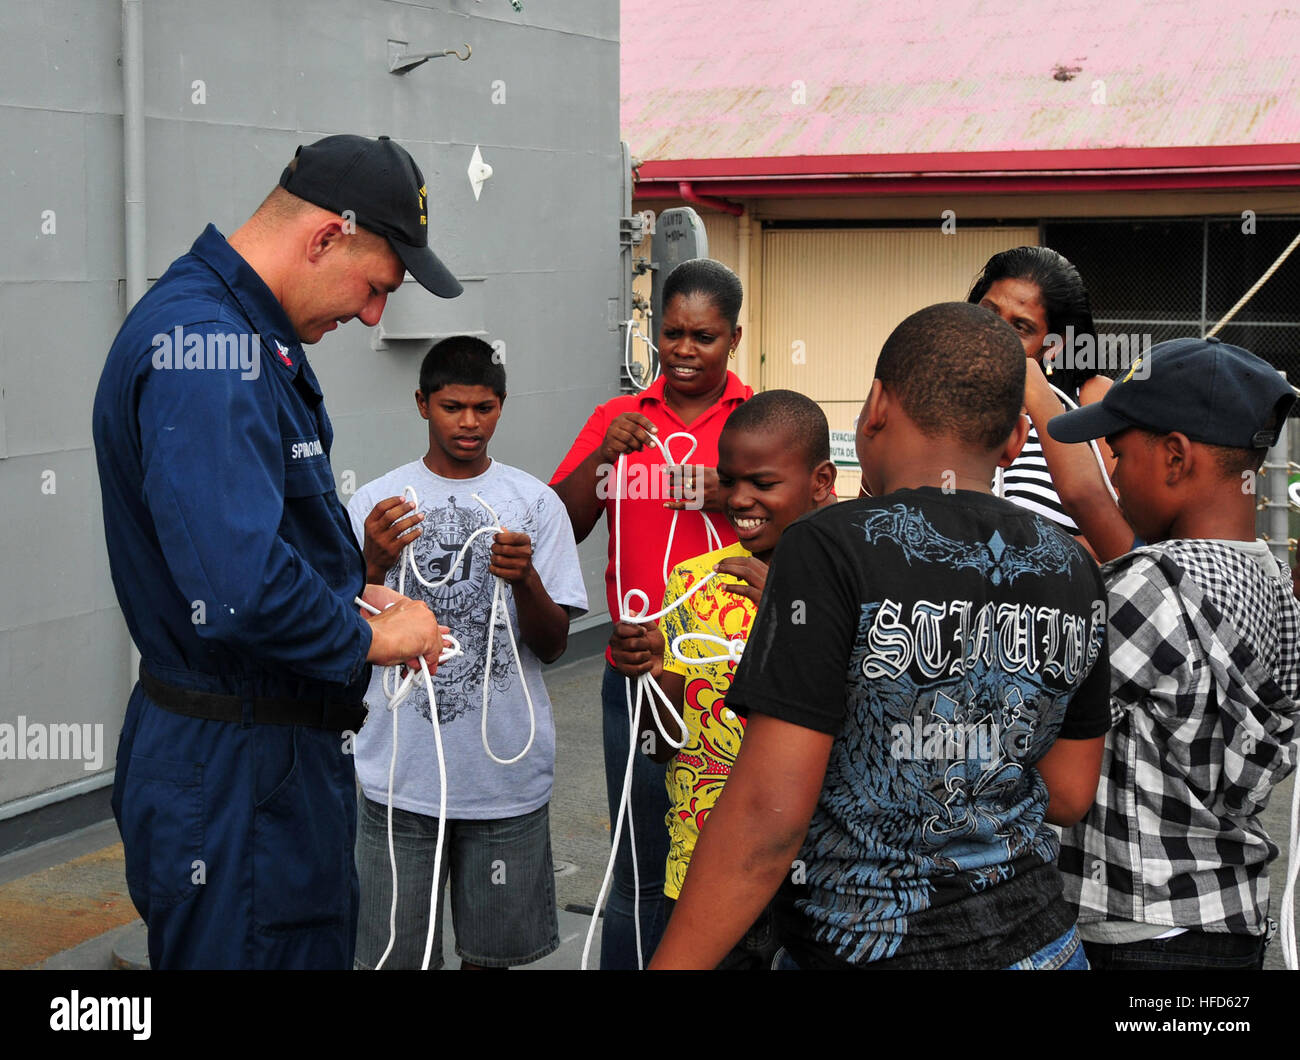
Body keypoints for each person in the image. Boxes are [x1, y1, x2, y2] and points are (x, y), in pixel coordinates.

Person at [650, 302, 1112, 970]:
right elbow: (1070, 795)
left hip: (866, 942)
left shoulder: (827, 549)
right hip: (1040, 944)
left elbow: (765, 822)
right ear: (1015, 440)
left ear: (876, 407)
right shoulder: (1073, 564)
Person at [93, 134, 457, 969]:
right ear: (326, 237)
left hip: (255, 757)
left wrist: (352, 591)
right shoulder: (209, 352)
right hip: (237, 773)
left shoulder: (237, 336)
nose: (372, 316)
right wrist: (372, 637)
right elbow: (239, 589)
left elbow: (253, 545)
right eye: (376, 288)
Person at [1047, 336, 1300, 970]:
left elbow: (1039, 718)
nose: (1112, 470)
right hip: (1229, 918)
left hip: (1142, 929)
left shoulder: (1151, 588)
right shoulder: (1274, 584)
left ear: (1174, 457)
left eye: (1120, 452)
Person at [348, 336, 586, 970]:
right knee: (392, 958)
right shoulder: (375, 503)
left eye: (484, 408)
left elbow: (556, 644)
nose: (469, 423)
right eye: (453, 407)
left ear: (501, 408)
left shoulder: (536, 504)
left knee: (491, 959)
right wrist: (371, 562)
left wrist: (526, 580)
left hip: (502, 778)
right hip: (399, 777)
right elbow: (336, 628)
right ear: (422, 403)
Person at [551, 258, 753, 968]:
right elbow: (562, 525)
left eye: (703, 336)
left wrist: (727, 495)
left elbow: (808, 521)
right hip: (636, 676)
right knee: (637, 864)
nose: (685, 350)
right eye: (672, 333)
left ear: (732, 335)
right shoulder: (619, 420)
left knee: (725, 861)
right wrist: (603, 459)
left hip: (733, 684)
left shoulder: (756, 417)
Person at [609, 391, 836, 969]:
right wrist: (656, 677)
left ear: (821, 480)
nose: (739, 501)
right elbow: (663, 749)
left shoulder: (855, 580)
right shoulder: (697, 582)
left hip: (828, 881)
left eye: (761, 483)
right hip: (708, 874)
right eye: (730, 481)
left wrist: (787, 620)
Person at [968, 246, 1113, 548]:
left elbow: (1128, 540)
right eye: (988, 313)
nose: (994, 334)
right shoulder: (934, 397)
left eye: (1020, 327)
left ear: (1054, 346)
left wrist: (1026, 562)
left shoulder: (1089, 400)